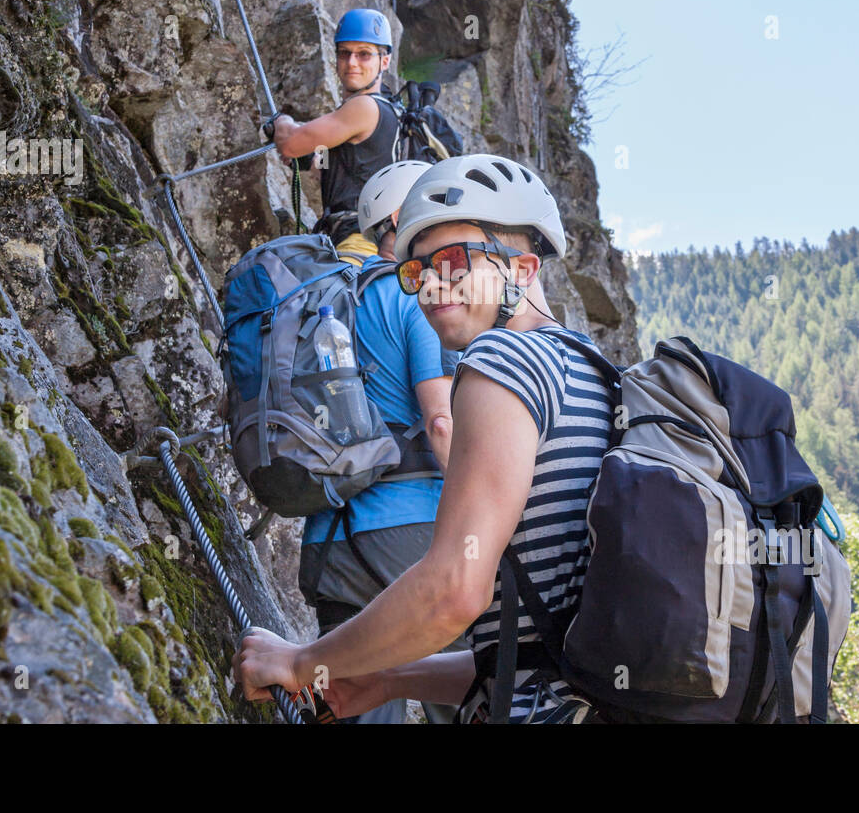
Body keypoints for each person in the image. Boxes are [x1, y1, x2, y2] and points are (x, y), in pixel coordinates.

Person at [234, 154, 615, 723]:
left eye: (455, 262)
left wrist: (302, 663)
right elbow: (531, 655)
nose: (433, 285)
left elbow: (454, 592)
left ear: (523, 269)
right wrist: (389, 681)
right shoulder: (594, 370)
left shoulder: (501, 361)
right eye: (418, 271)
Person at [296, 159, 463, 723]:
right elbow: (441, 424)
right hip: (411, 539)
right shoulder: (420, 300)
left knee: (355, 703)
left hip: (329, 538)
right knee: (466, 690)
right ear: (403, 219)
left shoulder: (327, 301)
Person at [270, 8, 401, 265]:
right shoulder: (391, 113)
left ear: (384, 61)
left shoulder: (364, 107)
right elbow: (348, 170)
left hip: (359, 243)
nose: (352, 62)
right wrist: (311, 160)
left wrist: (281, 122)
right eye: (345, 53)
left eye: (364, 54)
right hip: (373, 243)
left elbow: (290, 144)